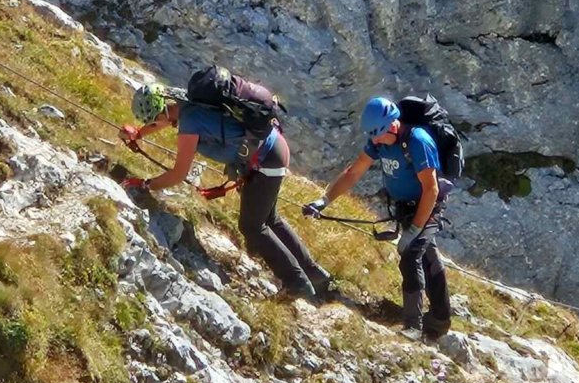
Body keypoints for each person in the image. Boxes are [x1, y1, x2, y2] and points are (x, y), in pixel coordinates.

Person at [121, 82, 332, 300]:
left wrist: (145, 185)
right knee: (269, 218)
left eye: (154, 119)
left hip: (265, 161)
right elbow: (164, 122)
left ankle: (296, 282)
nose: (155, 124)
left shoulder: (189, 124)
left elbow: (179, 174)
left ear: (163, 110)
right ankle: (313, 272)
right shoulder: (188, 102)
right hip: (273, 148)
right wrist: (139, 134)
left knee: (252, 227)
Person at [303, 96, 452, 339]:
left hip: (428, 205)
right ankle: (440, 319)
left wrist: (414, 231)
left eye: (378, 135)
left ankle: (413, 326)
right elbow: (354, 172)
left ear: (393, 125)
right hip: (405, 206)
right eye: (372, 135)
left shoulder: (418, 141)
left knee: (410, 255)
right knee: (428, 256)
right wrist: (324, 201)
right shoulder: (379, 141)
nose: (374, 141)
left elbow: (431, 190)